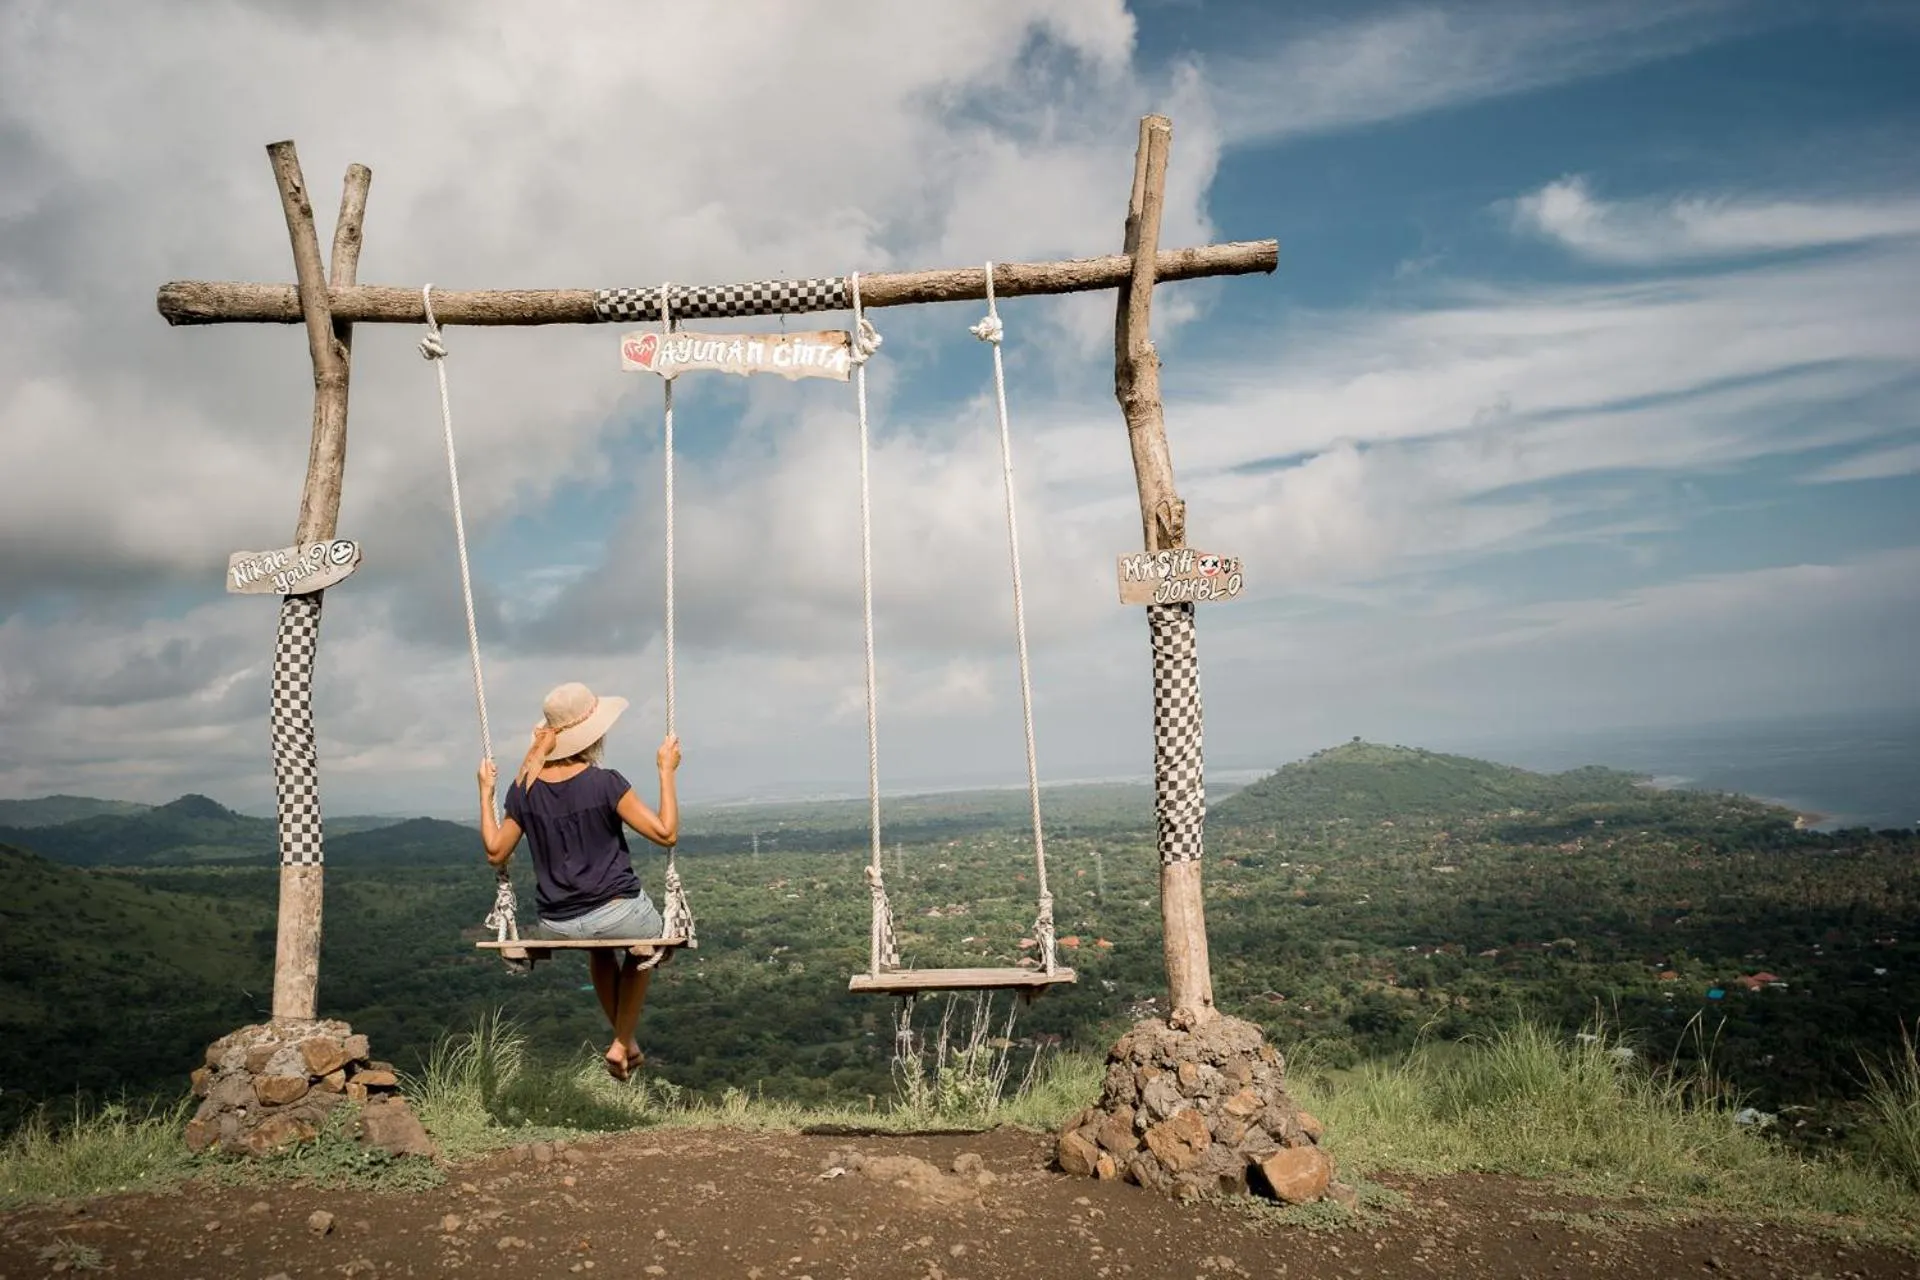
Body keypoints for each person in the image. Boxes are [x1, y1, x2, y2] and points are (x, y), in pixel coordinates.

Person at [477, 681, 681, 1081]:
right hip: (619, 914)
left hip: (558, 923)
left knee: (600, 949)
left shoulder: (524, 788)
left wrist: (485, 795)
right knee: (644, 947)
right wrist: (666, 771)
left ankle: (627, 1040)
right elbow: (665, 833)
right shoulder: (605, 783)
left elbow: (495, 853)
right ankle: (622, 1039)